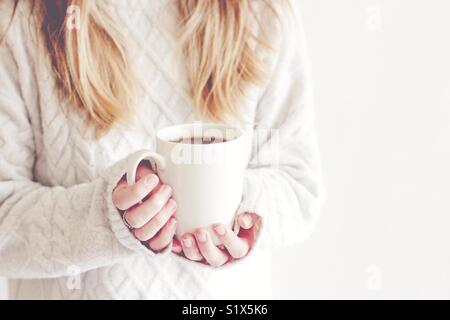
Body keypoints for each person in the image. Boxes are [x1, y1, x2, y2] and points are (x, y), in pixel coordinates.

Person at [0, 0, 324, 299]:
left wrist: (231, 209)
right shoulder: (18, 18)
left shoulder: (262, 11)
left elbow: (298, 188)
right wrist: (105, 217)